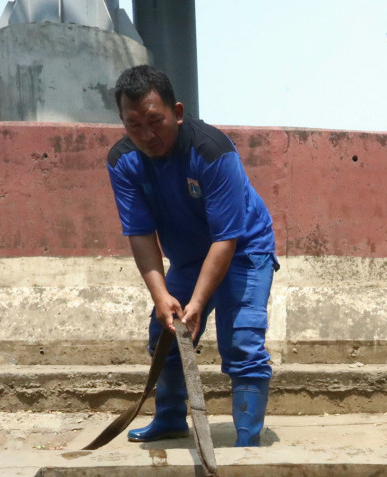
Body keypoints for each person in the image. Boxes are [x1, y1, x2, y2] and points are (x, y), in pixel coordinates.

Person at [106, 65, 278, 446]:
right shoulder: (123, 162)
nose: (147, 135)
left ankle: (247, 440)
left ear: (178, 113)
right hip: (188, 258)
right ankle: (169, 419)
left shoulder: (212, 152)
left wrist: (197, 302)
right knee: (163, 333)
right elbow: (139, 233)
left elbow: (227, 239)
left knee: (243, 341)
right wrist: (160, 295)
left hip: (244, 249)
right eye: (134, 125)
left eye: (155, 121)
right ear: (122, 122)